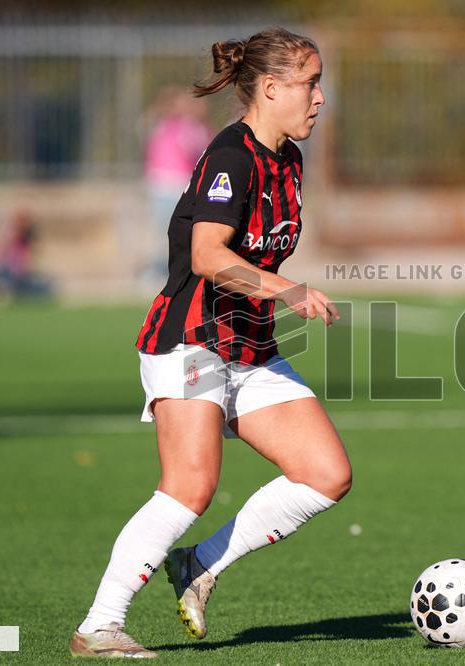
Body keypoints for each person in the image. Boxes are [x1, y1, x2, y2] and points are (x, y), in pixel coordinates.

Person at [71, 27, 350, 659]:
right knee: (189, 487)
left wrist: (273, 299)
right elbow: (205, 255)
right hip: (190, 341)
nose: (319, 97)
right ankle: (100, 626)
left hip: (249, 347)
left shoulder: (289, 159)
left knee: (325, 474)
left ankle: (198, 563)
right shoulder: (232, 156)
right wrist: (284, 289)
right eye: (309, 83)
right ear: (272, 88)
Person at [143, 86, 212, 281]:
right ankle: (159, 270)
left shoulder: (197, 128)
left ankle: (179, 270)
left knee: (182, 232)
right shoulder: (166, 125)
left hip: (180, 186)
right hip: (163, 185)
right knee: (163, 232)